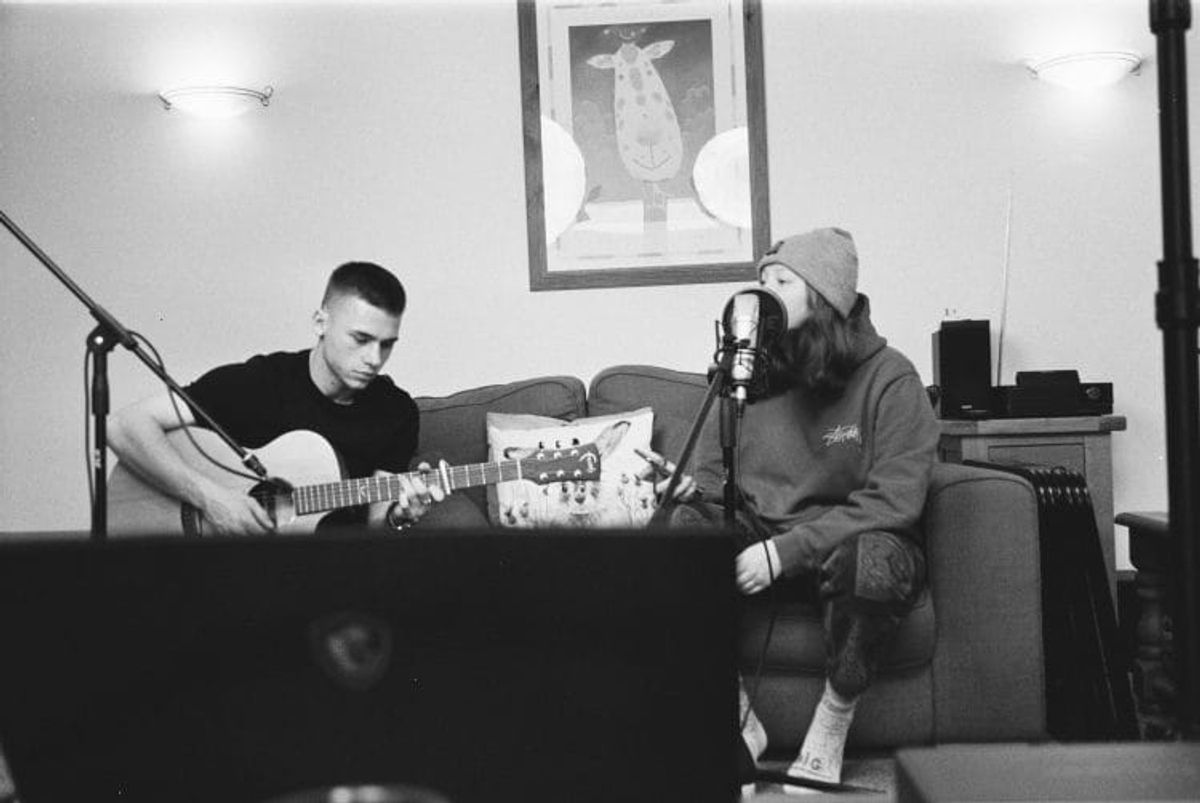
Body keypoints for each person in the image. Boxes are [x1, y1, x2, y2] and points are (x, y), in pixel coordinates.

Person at [644, 228, 938, 789]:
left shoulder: (890, 377)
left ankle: (831, 723)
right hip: (759, 533)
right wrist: (691, 495)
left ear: (825, 297)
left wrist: (782, 554)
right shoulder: (745, 375)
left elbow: (895, 499)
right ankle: (740, 723)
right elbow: (713, 484)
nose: (764, 292)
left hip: (847, 545)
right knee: (677, 535)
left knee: (874, 560)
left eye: (782, 281)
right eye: (760, 281)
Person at [108, 261, 442, 535]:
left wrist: (400, 516)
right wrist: (211, 499)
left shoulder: (396, 411)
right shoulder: (260, 383)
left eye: (386, 344)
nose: (374, 357)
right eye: (361, 339)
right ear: (320, 322)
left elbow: (375, 529)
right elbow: (123, 426)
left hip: (323, 574)